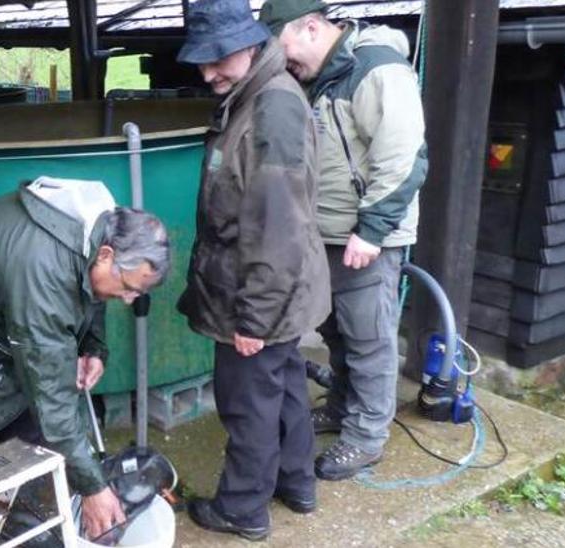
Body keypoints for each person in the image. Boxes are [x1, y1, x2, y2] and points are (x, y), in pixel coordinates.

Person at [0, 177, 170, 541]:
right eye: (130, 287)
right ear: (106, 255)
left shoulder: (100, 228)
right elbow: (52, 397)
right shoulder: (43, 272)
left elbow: (92, 290)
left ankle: (8, 502)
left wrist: (92, 346)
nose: (130, 299)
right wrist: (92, 489)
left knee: (40, 426)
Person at [174, 0, 331, 540]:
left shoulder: (271, 110)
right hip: (279, 286)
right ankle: (296, 482)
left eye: (217, 59)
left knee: (247, 405)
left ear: (248, 43)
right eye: (201, 61)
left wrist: (253, 319)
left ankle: (242, 507)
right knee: (283, 386)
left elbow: (276, 226)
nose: (207, 72)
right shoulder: (255, 95)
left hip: (260, 291)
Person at [261, 0, 429, 481]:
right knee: (335, 332)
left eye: (284, 46)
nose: (282, 60)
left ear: (311, 27)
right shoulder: (316, 80)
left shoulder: (376, 69)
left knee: (369, 340)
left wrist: (372, 232)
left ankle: (366, 437)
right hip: (325, 235)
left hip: (364, 239)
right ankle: (340, 406)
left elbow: (406, 157)